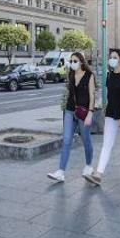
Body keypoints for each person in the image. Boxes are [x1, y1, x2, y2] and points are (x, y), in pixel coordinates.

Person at [85, 48, 120, 185]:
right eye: (111, 57)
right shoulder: (110, 74)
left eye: (115, 57)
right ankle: (98, 174)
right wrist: (105, 108)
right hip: (110, 113)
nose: (111, 59)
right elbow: (110, 95)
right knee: (107, 144)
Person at [48, 52, 95, 183]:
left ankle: (89, 166)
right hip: (70, 110)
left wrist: (90, 113)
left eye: (75, 61)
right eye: (71, 61)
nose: (72, 63)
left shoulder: (89, 75)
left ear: (81, 61)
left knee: (86, 140)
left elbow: (92, 96)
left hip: (84, 112)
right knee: (67, 140)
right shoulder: (71, 74)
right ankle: (61, 172)